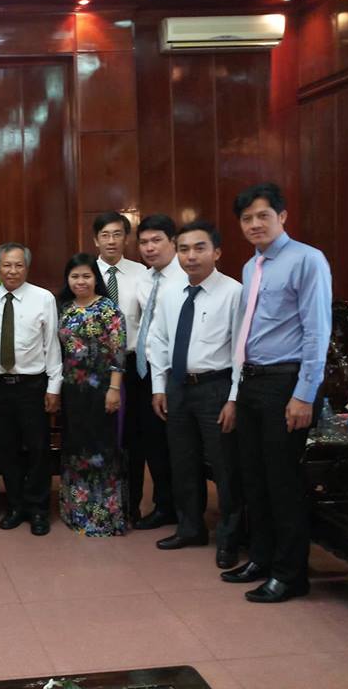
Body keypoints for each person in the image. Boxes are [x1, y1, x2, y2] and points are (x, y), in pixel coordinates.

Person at [223, 183, 331, 603]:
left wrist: (304, 394)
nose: (254, 224)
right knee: (255, 478)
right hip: (252, 381)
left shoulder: (307, 260)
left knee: (283, 481)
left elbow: (317, 331)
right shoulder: (251, 267)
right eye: (247, 218)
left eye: (263, 215)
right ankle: (261, 558)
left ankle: (290, 574)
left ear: (282, 216)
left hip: (285, 383)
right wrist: (236, 391)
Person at [149, 221, 244, 569]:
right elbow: (158, 339)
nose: (191, 256)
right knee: (183, 461)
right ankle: (190, 527)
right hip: (177, 387)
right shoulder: (171, 292)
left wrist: (234, 398)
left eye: (199, 248)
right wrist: (159, 387)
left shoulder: (234, 292)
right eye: (184, 249)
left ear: (216, 252)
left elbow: (242, 351)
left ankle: (230, 537)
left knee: (224, 465)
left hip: (216, 387)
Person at [92, 212, 166, 527]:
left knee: (136, 441)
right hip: (95, 370)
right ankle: (99, 506)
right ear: (95, 239)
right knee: (100, 438)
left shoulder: (142, 274)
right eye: (105, 235)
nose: (111, 241)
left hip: (134, 367)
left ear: (126, 238)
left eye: (117, 234)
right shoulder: (84, 273)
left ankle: (130, 505)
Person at [0, 242, 62, 536]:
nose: (13, 271)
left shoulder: (43, 298)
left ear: (27, 267)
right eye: (7, 265)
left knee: (38, 449)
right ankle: (16, 505)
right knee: (6, 449)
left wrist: (54, 387)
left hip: (33, 385)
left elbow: (52, 344)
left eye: (19, 265)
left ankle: (39, 508)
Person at [56, 253, 127, 537]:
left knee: (100, 450)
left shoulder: (109, 309)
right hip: (72, 391)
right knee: (75, 450)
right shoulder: (64, 309)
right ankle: (75, 513)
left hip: (102, 390)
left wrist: (114, 389)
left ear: (95, 278)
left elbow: (118, 352)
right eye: (75, 276)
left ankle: (103, 518)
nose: (81, 281)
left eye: (86, 276)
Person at [130, 215, 185, 530]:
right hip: (147, 370)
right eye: (144, 242)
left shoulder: (186, 276)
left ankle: (184, 510)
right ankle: (164, 505)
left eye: (156, 241)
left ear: (172, 242)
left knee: (178, 445)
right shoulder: (145, 279)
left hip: (177, 373)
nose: (149, 248)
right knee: (153, 443)